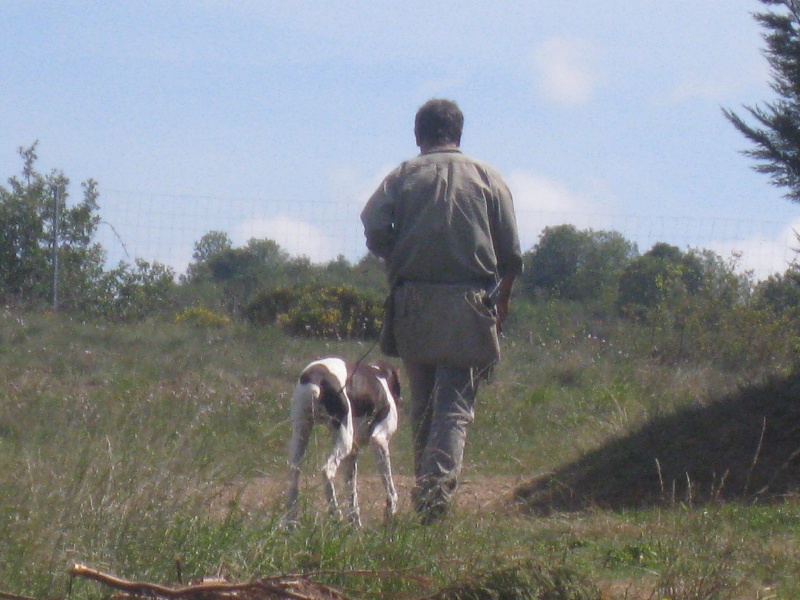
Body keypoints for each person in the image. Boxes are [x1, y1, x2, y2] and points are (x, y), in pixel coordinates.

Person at [360, 98, 523, 523]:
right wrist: (501, 302)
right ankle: (434, 500)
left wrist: (396, 256)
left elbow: (373, 224)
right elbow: (510, 254)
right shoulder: (489, 178)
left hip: (414, 303)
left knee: (424, 406)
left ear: (418, 134)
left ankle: (426, 493)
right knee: (453, 408)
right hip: (470, 305)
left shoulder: (403, 176)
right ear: (459, 133)